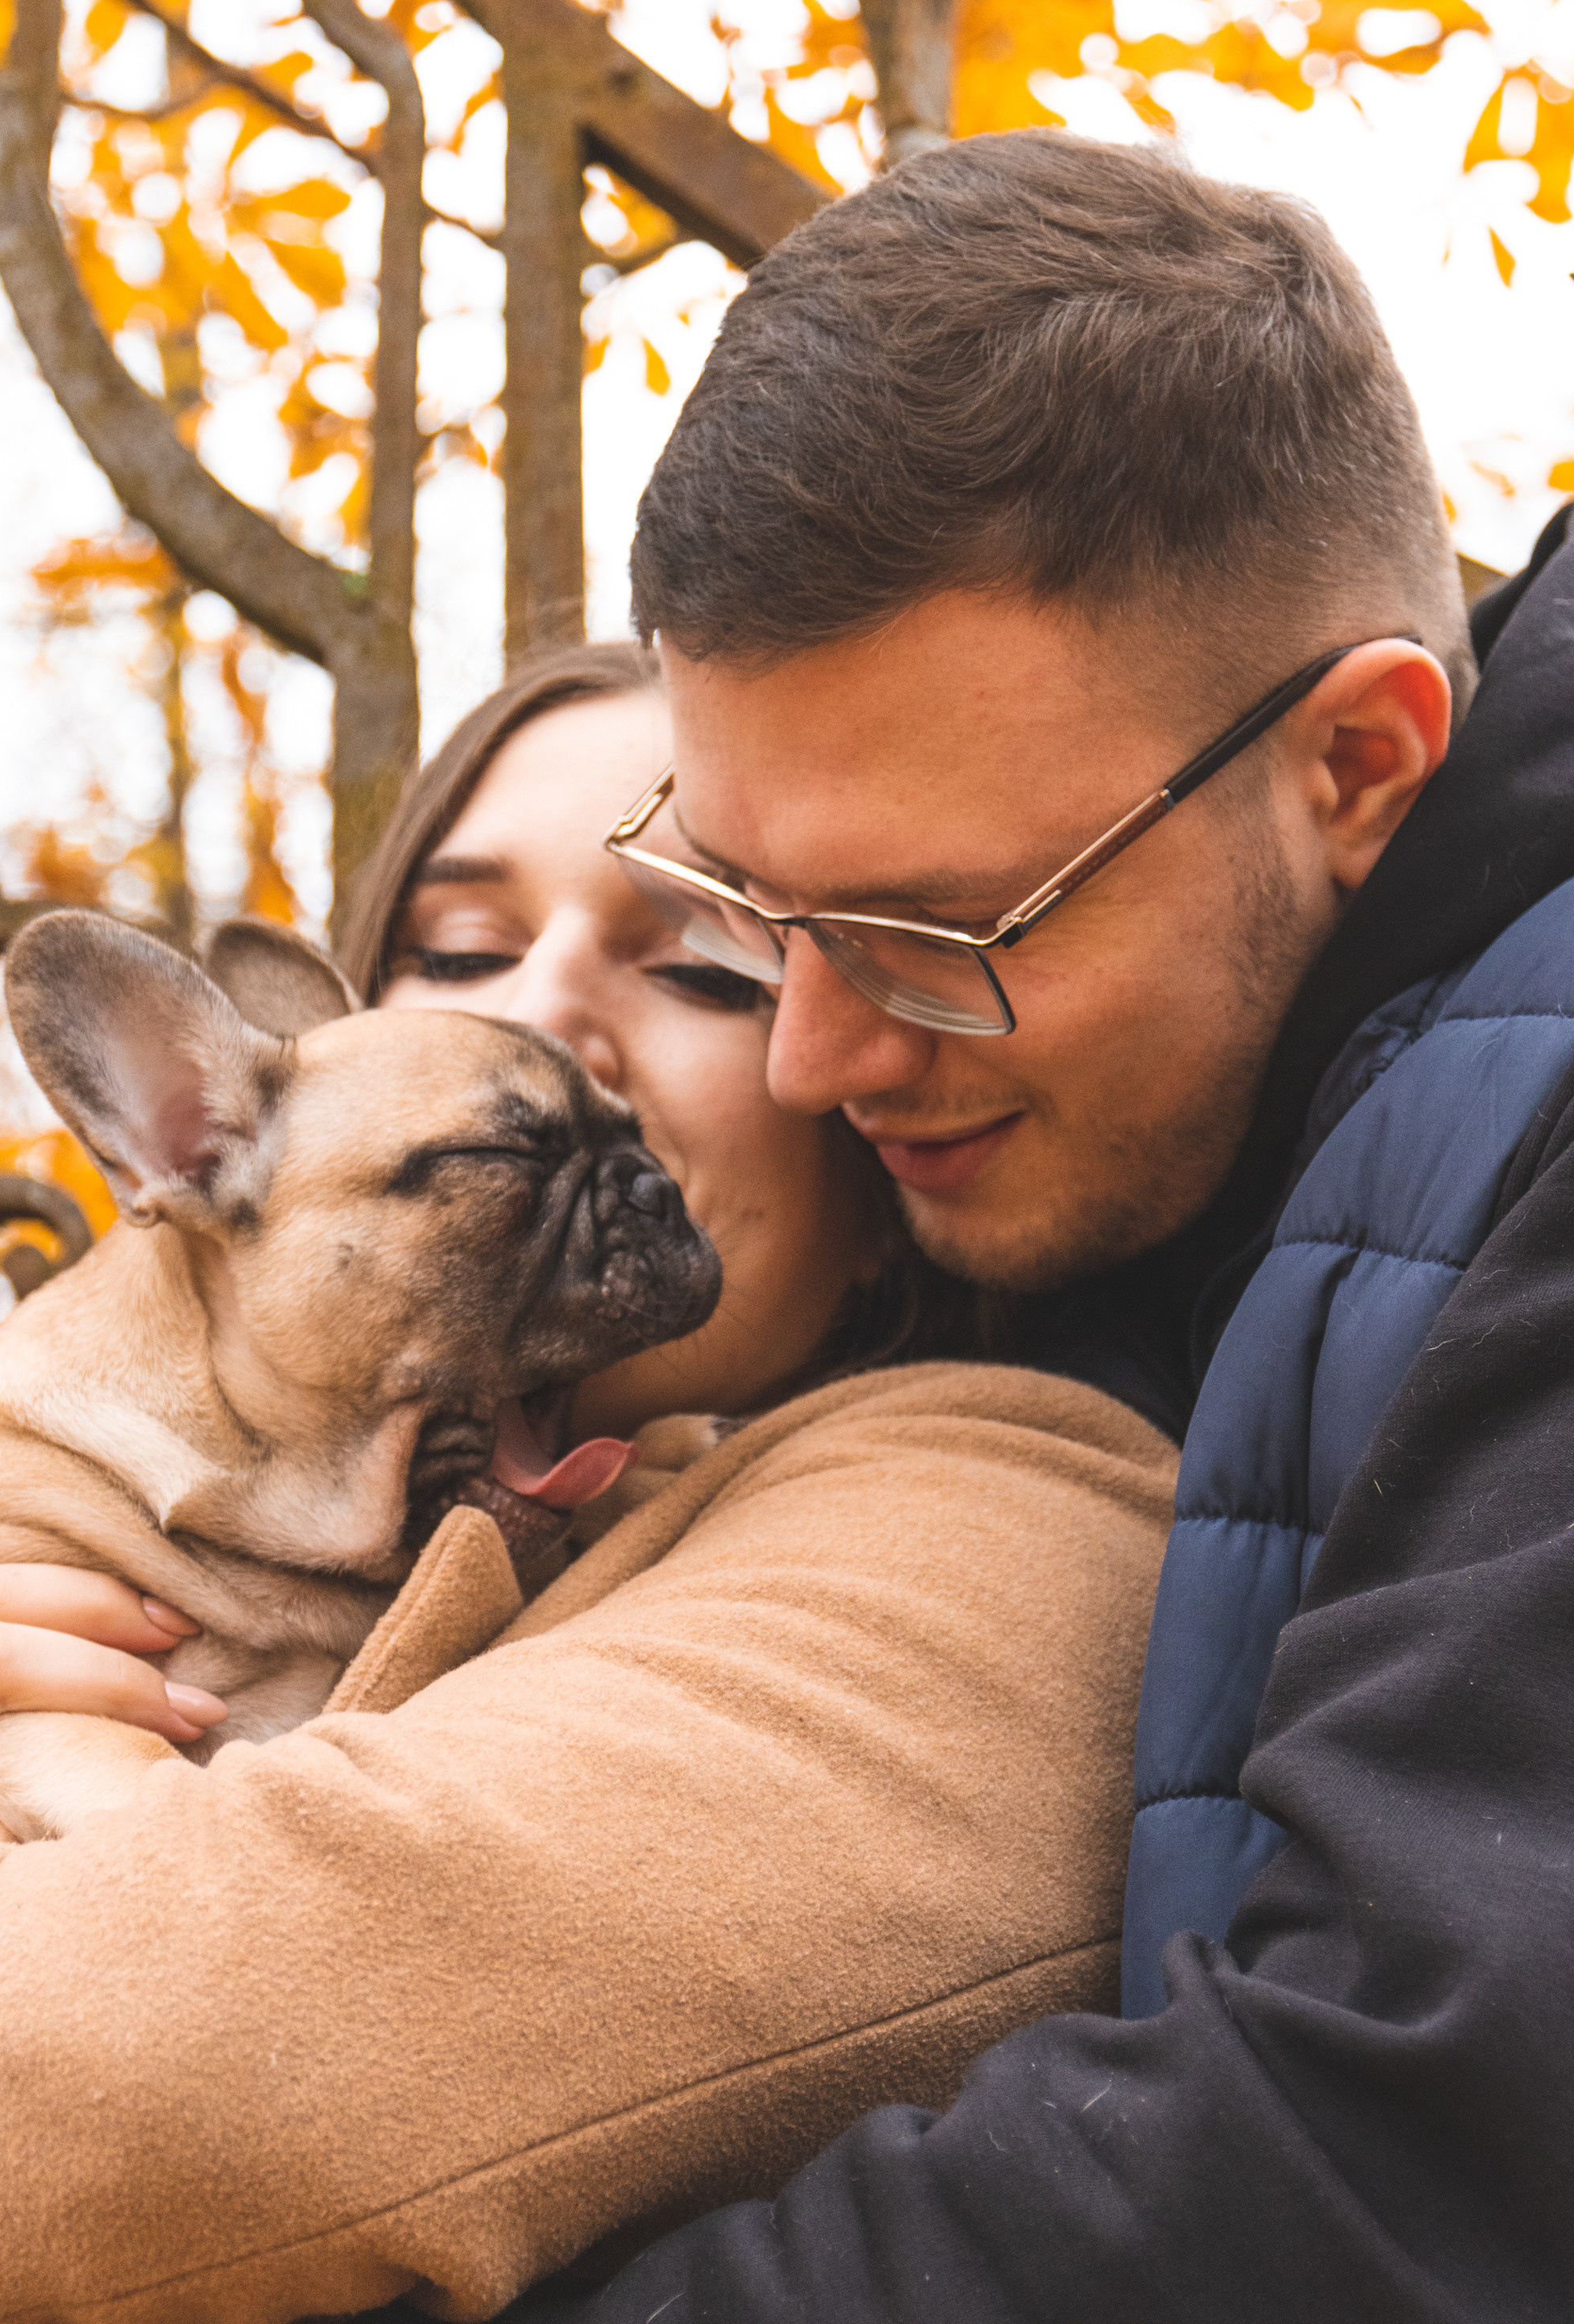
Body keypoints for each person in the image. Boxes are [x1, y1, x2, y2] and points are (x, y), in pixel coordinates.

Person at [498, 129, 1574, 2320]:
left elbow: (1407, 2145)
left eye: (930, 927)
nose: (811, 1055)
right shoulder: (1149, 1164)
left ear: (1360, 758)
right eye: (747, 908)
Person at [0, 635, 1176, 2318]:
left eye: (709, 964)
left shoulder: (994, 1511)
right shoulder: (31, 1484)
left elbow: (169, 2052)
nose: (539, 1014)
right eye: (457, 951)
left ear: (875, 1103)